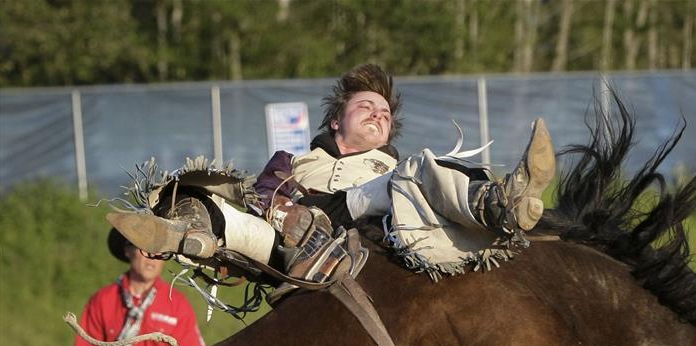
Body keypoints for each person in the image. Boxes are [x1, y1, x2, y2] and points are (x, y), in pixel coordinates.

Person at [108, 63, 556, 284]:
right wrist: (289, 212)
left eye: (385, 114)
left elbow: (412, 184)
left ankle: (500, 201)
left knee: (420, 169)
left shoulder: (396, 168)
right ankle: (184, 231)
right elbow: (264, 195)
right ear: (336, 121)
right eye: (366, 107)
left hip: (370, 222)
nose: (378, 114)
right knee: (210, 192)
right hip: (294, 233)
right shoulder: (294, 160)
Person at [73, 230, 206, 346]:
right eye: (145, 247)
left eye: (160, 250)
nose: (152, 256)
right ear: (128, 250)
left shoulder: (177, 304)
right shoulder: (102, 301)